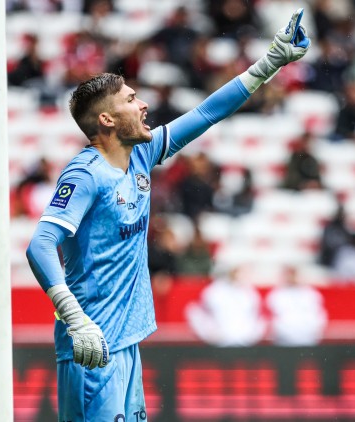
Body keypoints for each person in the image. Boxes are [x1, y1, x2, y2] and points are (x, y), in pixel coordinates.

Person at [25, 9, 310, 420]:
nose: (142, 105)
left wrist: (269, 63)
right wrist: (74, 318)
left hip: (125, 343)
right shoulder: (85, 174)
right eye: (129, 100)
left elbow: (208, 113)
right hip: (92, 347)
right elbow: (40, 243)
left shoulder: (140, 154)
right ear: (106, 119)